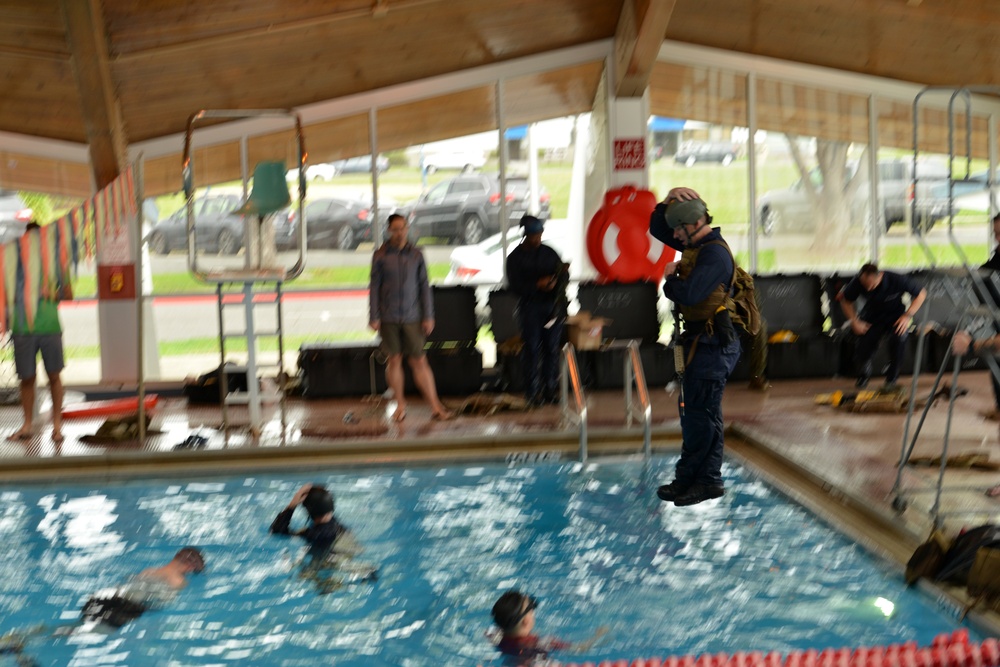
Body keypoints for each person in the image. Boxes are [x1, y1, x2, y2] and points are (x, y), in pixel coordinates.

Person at [649, 188, 741, 507]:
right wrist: (668, 198)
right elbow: (657, 228)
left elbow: (688, 293)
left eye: (679, 228)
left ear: (694, 222)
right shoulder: (695, 243)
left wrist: (669, 280)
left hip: (714, 345)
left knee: (701, 415)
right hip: (701, 343)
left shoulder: (713, 253)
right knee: (693, 413)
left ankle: (708, 480)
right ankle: (688, 477)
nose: (673, 235)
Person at [0, 547, 205, 662]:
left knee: (79, 626)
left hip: (103, 596)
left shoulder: (150, 570)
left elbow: (129, 583)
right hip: (122, 606)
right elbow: (160, 603)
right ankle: (23, 640)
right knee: (87, 632)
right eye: (195, 569)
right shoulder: (179, 581)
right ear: (190, 565)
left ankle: (25, 636)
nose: (192, 573)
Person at [369, 213, 453, 422]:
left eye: (402, 228)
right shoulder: (380, 255)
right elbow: (374, 288)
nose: (399, 233)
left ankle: (435, 406)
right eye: (395, 229)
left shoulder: (416, 255)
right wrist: (374, 316)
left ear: (408, 228)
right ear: (389, 231)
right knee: (394, 359)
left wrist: (429, 316)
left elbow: (424, 287)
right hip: (388, 316)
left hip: (413, 316)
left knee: (419, 360)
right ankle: (400, 404)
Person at [8, 221, 71, 444]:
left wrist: (52, 293)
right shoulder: (14, 263)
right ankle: (27, 425)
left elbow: (68, 293)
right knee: (27, 378)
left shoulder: (55, 263)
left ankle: (56, 426)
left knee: (54, 376)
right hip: (23, 328)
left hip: (49, 327)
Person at [505, 215, 569, 406]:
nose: (538, 238)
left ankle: (550, 389)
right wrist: (537, 285)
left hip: (552, 308)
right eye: (534, 235)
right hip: (530, 308)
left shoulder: (549, 253)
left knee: (551, 349)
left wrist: (556, 281)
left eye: (540, 234)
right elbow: (515, 287)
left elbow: (564, 276)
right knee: (532, 349)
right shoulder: (515, 258)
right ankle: (532, 392)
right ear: (526, 235)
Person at [269, 483, 377, 591]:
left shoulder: (312, 534)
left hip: (332, 561)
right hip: (347, 550)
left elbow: (276, 531)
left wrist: (293, 504)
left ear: (308, 511)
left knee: (301, 576)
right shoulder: (338, 525)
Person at [837, 262, 927, 389]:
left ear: (880, 276)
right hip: (872, 316)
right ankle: (863, 374)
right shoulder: (858, 281)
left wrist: (907, 316)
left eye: (871, 285)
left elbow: (921, 294)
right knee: (864, 345)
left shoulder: (896, 279)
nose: (868, 289)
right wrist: (854, 321)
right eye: (865, 285)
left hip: (895, 317)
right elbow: (845, 301)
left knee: (899, 338)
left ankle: (892, 377)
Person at [489, 590, 606, 665]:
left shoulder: (497, 638)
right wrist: (599, 636)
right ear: (526, 621)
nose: (533, 611)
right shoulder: (541, 642)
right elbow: (579, 648)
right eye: (531, 608)